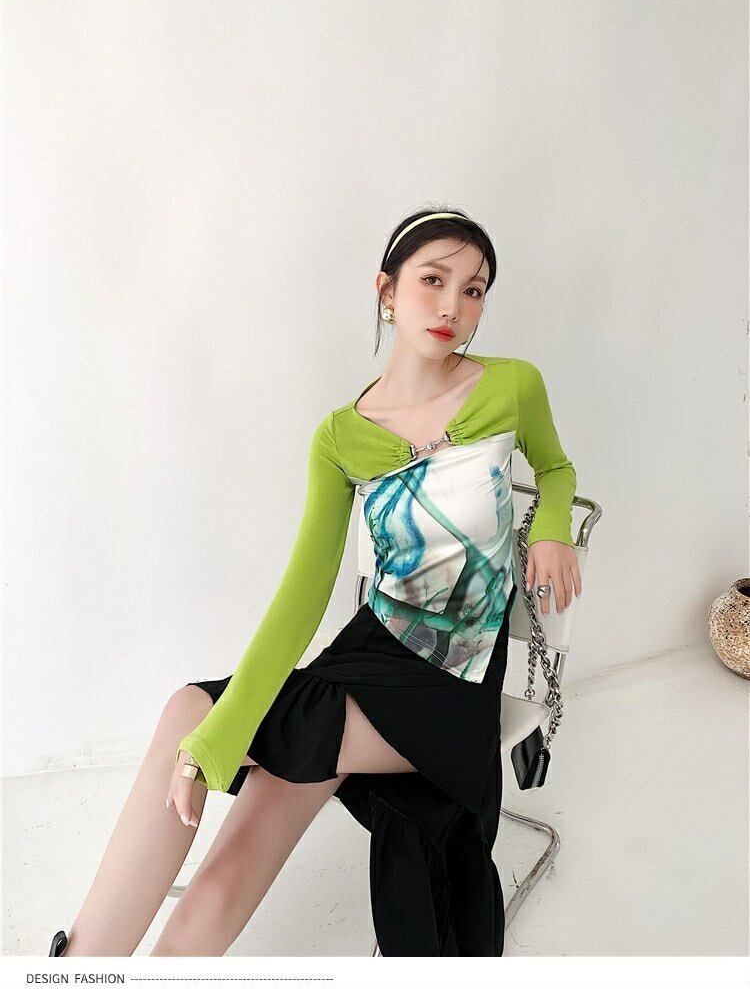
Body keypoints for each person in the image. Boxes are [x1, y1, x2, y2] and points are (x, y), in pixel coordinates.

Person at [48, 207, 581, 958]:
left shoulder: (512, 385)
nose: (453, 306)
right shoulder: (341, 436)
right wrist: (217, 739)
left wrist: (552, 527)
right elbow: (302, 598)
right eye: (433, 280)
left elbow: (555, 468)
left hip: (452, 686)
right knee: (215, 860)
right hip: (368, 654)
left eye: (473, 289)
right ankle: (83, 972)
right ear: (386, 291)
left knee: (196, 715)